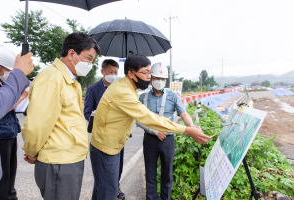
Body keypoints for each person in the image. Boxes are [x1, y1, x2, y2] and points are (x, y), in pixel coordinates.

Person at [90, 54, 211, 200]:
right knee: (107, 192)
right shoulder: (124, 92)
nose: (149, 77)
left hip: (112, 145)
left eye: (150, 73)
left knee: (102, 189)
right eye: (146, 73)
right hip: (106, 147)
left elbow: (181, 114)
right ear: (131, 73)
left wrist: (190, 126)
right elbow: (148, 118)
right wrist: (186, 130)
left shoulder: (129, 88)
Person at [22, 32, 101, 200]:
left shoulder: (70, 81)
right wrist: (31, 151)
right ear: (71, 53)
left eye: (92, 60)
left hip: (69, 159)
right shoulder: (51, 78)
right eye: (88, 58)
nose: (90, 64)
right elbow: (38, 124)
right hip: (58, 161)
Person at [135, 62, 195, 200]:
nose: (160, 81)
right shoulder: (143, 97)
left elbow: (184, 114)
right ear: (150, 78)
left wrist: (192, 128)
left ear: (166, 80)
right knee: (150, 173)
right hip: (150, 139)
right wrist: (156, 131)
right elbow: (138, 120)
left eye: (163, 79)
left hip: (168, 140)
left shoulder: (173, 96)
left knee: (166, 173)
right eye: (156, 78)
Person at [84, 59, 125, 200]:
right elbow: (86, 112)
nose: (113, 75)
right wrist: (96, 115)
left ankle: (116, 186)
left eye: (116, 72)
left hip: (118, 137)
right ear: (102, 72)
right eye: (110, 72)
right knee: (103, 177)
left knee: (116, 171)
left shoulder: (120, 88)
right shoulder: (93, 89)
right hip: (101, 138)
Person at [0, 46, 33, 199]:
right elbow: (1, 108)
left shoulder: (2, 84)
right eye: (8, 70)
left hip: (9, 133)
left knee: (9, 179)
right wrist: (22, 96)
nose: (9, 74)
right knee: (2, 182)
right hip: (1, 137)